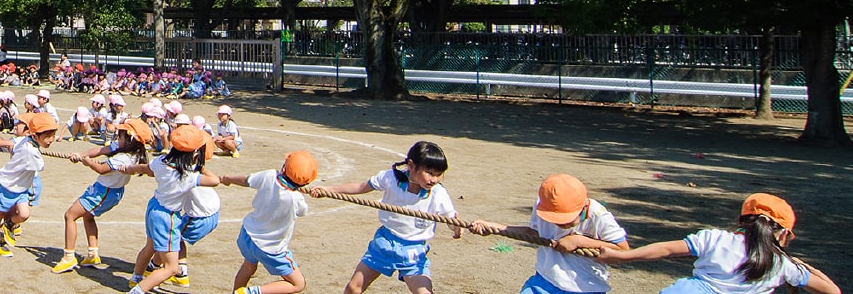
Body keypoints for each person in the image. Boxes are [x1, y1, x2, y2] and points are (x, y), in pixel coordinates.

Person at [594, 193, 840, 294]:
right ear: (784, 233)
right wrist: (806, 268)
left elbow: (666, 249)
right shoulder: (783, 265)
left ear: (742, 220)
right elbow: (832, 291)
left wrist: (622, 256)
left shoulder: (716, 239)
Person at [321, 141, 460, 294]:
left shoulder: (438, 194)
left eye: (438, 174)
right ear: (411, 165)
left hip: (413, 252)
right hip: (384, 243)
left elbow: (451, 220)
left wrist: (456, 228)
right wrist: (328, 189)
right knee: (353, 288)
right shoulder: (391, 178)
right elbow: (361, 187)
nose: (434, 179)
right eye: (430, 173)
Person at [469, 174, 630, 294]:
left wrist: (579, 240)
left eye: (566, 219)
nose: (560, 225)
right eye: (554, 219)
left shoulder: (599, 216)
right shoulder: (542, 206)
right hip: (544, 282)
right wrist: (494, 227)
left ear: (584, 206)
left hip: (586, 287)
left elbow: (623, 250)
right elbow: (533, 233)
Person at [122, 125, 220, 294]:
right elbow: (215, 180)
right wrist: (200, 165)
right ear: (194, 152)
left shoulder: (161, 161)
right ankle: (137, 290)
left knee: (149, 247)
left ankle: (136, 277)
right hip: (168, 217)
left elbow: (146, 169)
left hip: (154, 207)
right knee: (171, 268)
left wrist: (130, 169)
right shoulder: (189, 175)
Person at [51, 118, 152, 273]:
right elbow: (102, 150)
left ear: (130, 140)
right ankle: (93, 254)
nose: (118, 138)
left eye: (121, 136)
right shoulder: (126, 149)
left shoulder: (124, 157)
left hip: (104, 192)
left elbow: (102, 169)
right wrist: (82, 154)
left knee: (70, 215)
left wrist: (88, 162)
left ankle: (68, 257)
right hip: (105, 190)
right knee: (88, 216)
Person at [219, 151, 320, 294]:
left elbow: (246, 180)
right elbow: (303, 211)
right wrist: (300, 191)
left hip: (247, 236)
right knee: (298, 284)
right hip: (270, 248)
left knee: (248, 267)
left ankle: (236, 292)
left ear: (284, 168)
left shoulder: (269, 175)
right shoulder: (296, 199)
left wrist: (228, 178)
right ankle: (249, 292)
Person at [0, 112, 59, 258]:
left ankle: (8, 225)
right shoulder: (30, 151)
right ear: (35, 135)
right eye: (47, 137)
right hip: (7, 185)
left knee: (24, 215)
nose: (51, 140)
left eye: (53, 136)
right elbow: (39, 165)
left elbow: (9, 143)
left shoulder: (24, 140)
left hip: (21, 188)